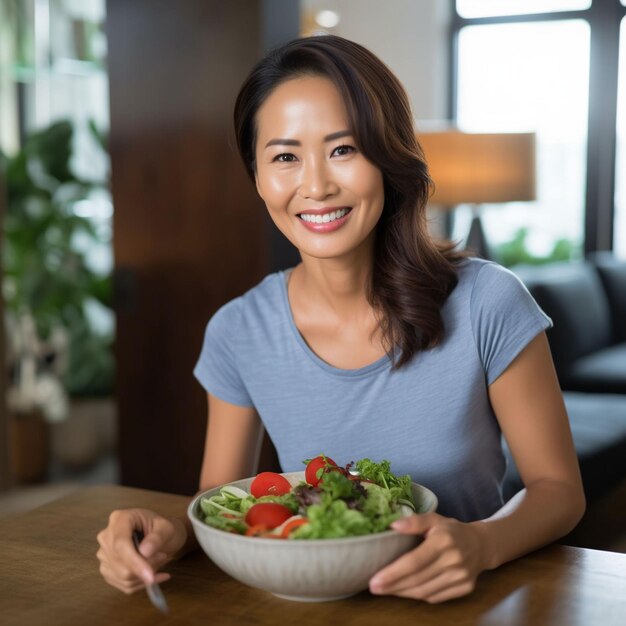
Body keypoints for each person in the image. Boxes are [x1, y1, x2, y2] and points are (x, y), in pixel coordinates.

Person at [97, 35, 585, 603]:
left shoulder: (487, 301)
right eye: (284, 157)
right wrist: (168, 535)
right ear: (256, 176)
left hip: (463, 603)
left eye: (343, 149)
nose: (316, 186)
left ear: (388, 156)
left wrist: (482, 545)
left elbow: (558, 489)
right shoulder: (238, 331)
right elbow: (224, 503)